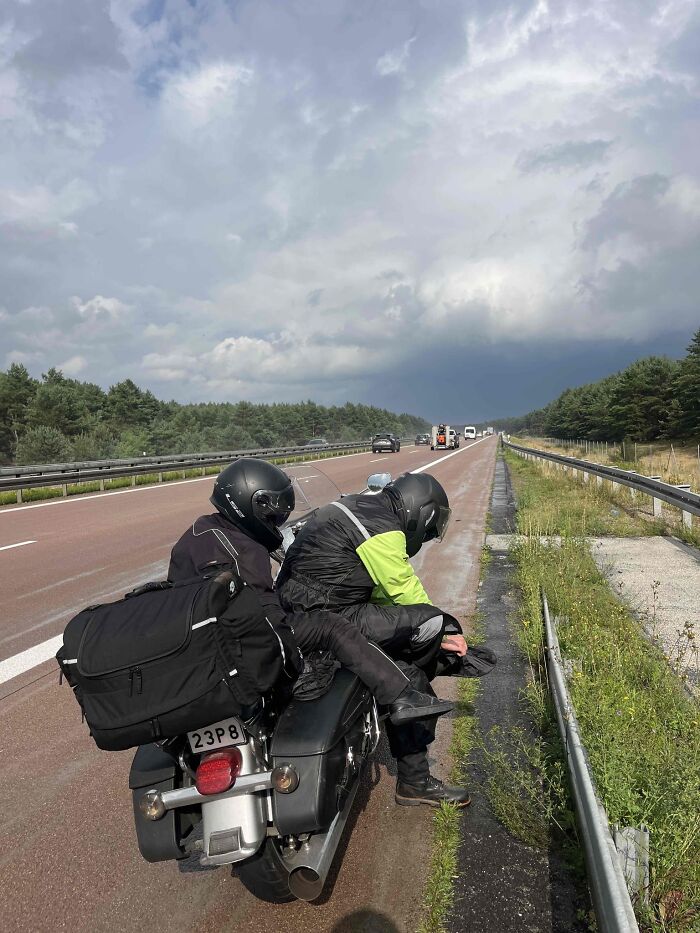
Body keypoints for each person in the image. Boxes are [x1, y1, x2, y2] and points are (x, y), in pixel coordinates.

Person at [167, 458, 454, 727]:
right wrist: (300, 664)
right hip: (242, 635)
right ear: (255, 503)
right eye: (274, 516)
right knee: (330, 626)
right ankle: (400, 696)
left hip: (200, 637)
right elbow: (266, 613)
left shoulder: (196, 533)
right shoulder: (247, 549)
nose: (276, 523)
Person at [276, 471, 482, 808]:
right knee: (410, 665)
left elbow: (379, 592)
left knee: (403, 628)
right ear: (421, 510)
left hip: (297, 615)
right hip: (331, 616)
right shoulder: (382, 527)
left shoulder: (356, 506)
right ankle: (415, 782)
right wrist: (444, 629)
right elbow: (404, 592)